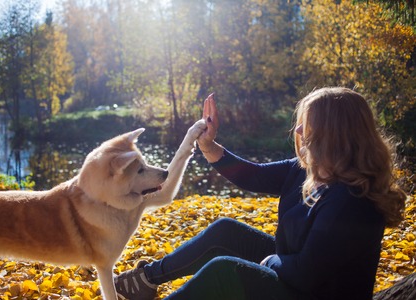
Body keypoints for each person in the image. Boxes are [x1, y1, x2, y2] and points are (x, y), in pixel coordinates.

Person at [114, 87, 407, 300]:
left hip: (311, 291)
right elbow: (254, 176)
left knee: (225, 272)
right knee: (226, 232)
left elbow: (306, 276)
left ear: (335, 134)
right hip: (295, 274)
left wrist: (269, 262)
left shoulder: (351, 201)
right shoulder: (309, 169)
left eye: (310, 122)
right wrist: (208, 146)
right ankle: (145, 280)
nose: (300, 128)